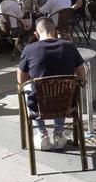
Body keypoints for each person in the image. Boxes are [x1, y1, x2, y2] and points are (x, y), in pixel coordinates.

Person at [17, 17, 86, 151]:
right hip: (67, 105)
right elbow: (82, 75)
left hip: (38, 106)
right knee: (63, 91)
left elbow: (20, 80)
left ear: (36, 35)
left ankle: (42, 134)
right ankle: (58, 133)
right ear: (55, 32)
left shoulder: (29, 49)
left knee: (25, 88)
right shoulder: (70, 46)